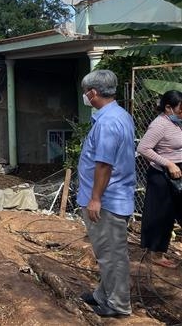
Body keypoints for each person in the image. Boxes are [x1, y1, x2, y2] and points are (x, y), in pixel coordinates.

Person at [76, 69, 136, 318]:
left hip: (107, 201)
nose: (85, 97)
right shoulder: (118, 115)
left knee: (112, 255)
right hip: (112, 197)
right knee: (106, 252)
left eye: (85, 93)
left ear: (93, 93)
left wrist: (95, 199)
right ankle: (103, 294)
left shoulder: (109, 123)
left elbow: (104, 164)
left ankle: (118, 304)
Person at [137, 90, 182, 269]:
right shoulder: (159, 125)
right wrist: (168, 164)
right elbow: (144, 148)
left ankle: (159, 250)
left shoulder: (178, 123)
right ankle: (155, 253)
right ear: (168, 108)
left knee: (174, 213)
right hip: (163, 175)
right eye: (180, 110)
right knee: (161, 214)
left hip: (178, 171)